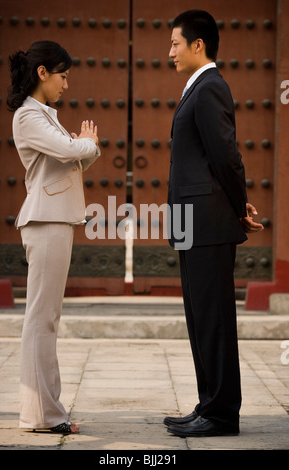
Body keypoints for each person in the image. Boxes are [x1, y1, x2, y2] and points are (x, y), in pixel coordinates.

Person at [165, 10, 263, 437]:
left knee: (214, 320)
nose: (169, 51)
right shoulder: (196, 89)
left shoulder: (210, 88)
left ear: (197, 44)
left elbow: (226, 155)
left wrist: (240, 207)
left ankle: (222, 415)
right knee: (199, 318)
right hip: (192, 222)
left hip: (206, 221)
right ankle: (208, 405)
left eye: (175, 43)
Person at [7, 40, 100, 434]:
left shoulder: (44, 114)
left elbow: (77, 154)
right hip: (45, 221)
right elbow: (69, 149)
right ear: (42, 73)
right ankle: (43, 415)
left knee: (46, 318)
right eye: (62, 75)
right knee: (41, 320)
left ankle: (44, 411)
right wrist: (87, 143)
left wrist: (86, 146)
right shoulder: (30, 117)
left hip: (56, 221)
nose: (66, 83)